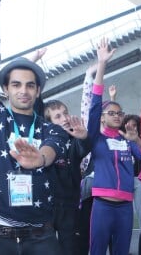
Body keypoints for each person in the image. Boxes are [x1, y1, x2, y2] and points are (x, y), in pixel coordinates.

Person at [0, 0, 70, 255]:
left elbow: (53, 149)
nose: (23, 91)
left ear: (39, 91)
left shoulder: (52, 129)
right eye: (16, 84)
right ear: (5, 88)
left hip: (40, 237)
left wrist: (39, 158)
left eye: (30, 85)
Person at [87, 37, 141, 255]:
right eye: (112, 113)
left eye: (120, 113)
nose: (117, 116)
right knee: (97, 251)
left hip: (125, 207)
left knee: (122, 251)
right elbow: (95, 103)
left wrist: (136, 139)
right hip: (102, 206)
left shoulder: (127, 140)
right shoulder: (96, 138)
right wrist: (102, 65)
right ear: (103, 117)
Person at [43, 99, 91, 255]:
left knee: (70, 249)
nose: (64, 118)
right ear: (48, 122)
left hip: (70, 206)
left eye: (65, 113)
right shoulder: (44, 142)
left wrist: (84, 137)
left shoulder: (74, 139)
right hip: (47, 206)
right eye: (57, 116)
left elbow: (83, 149)